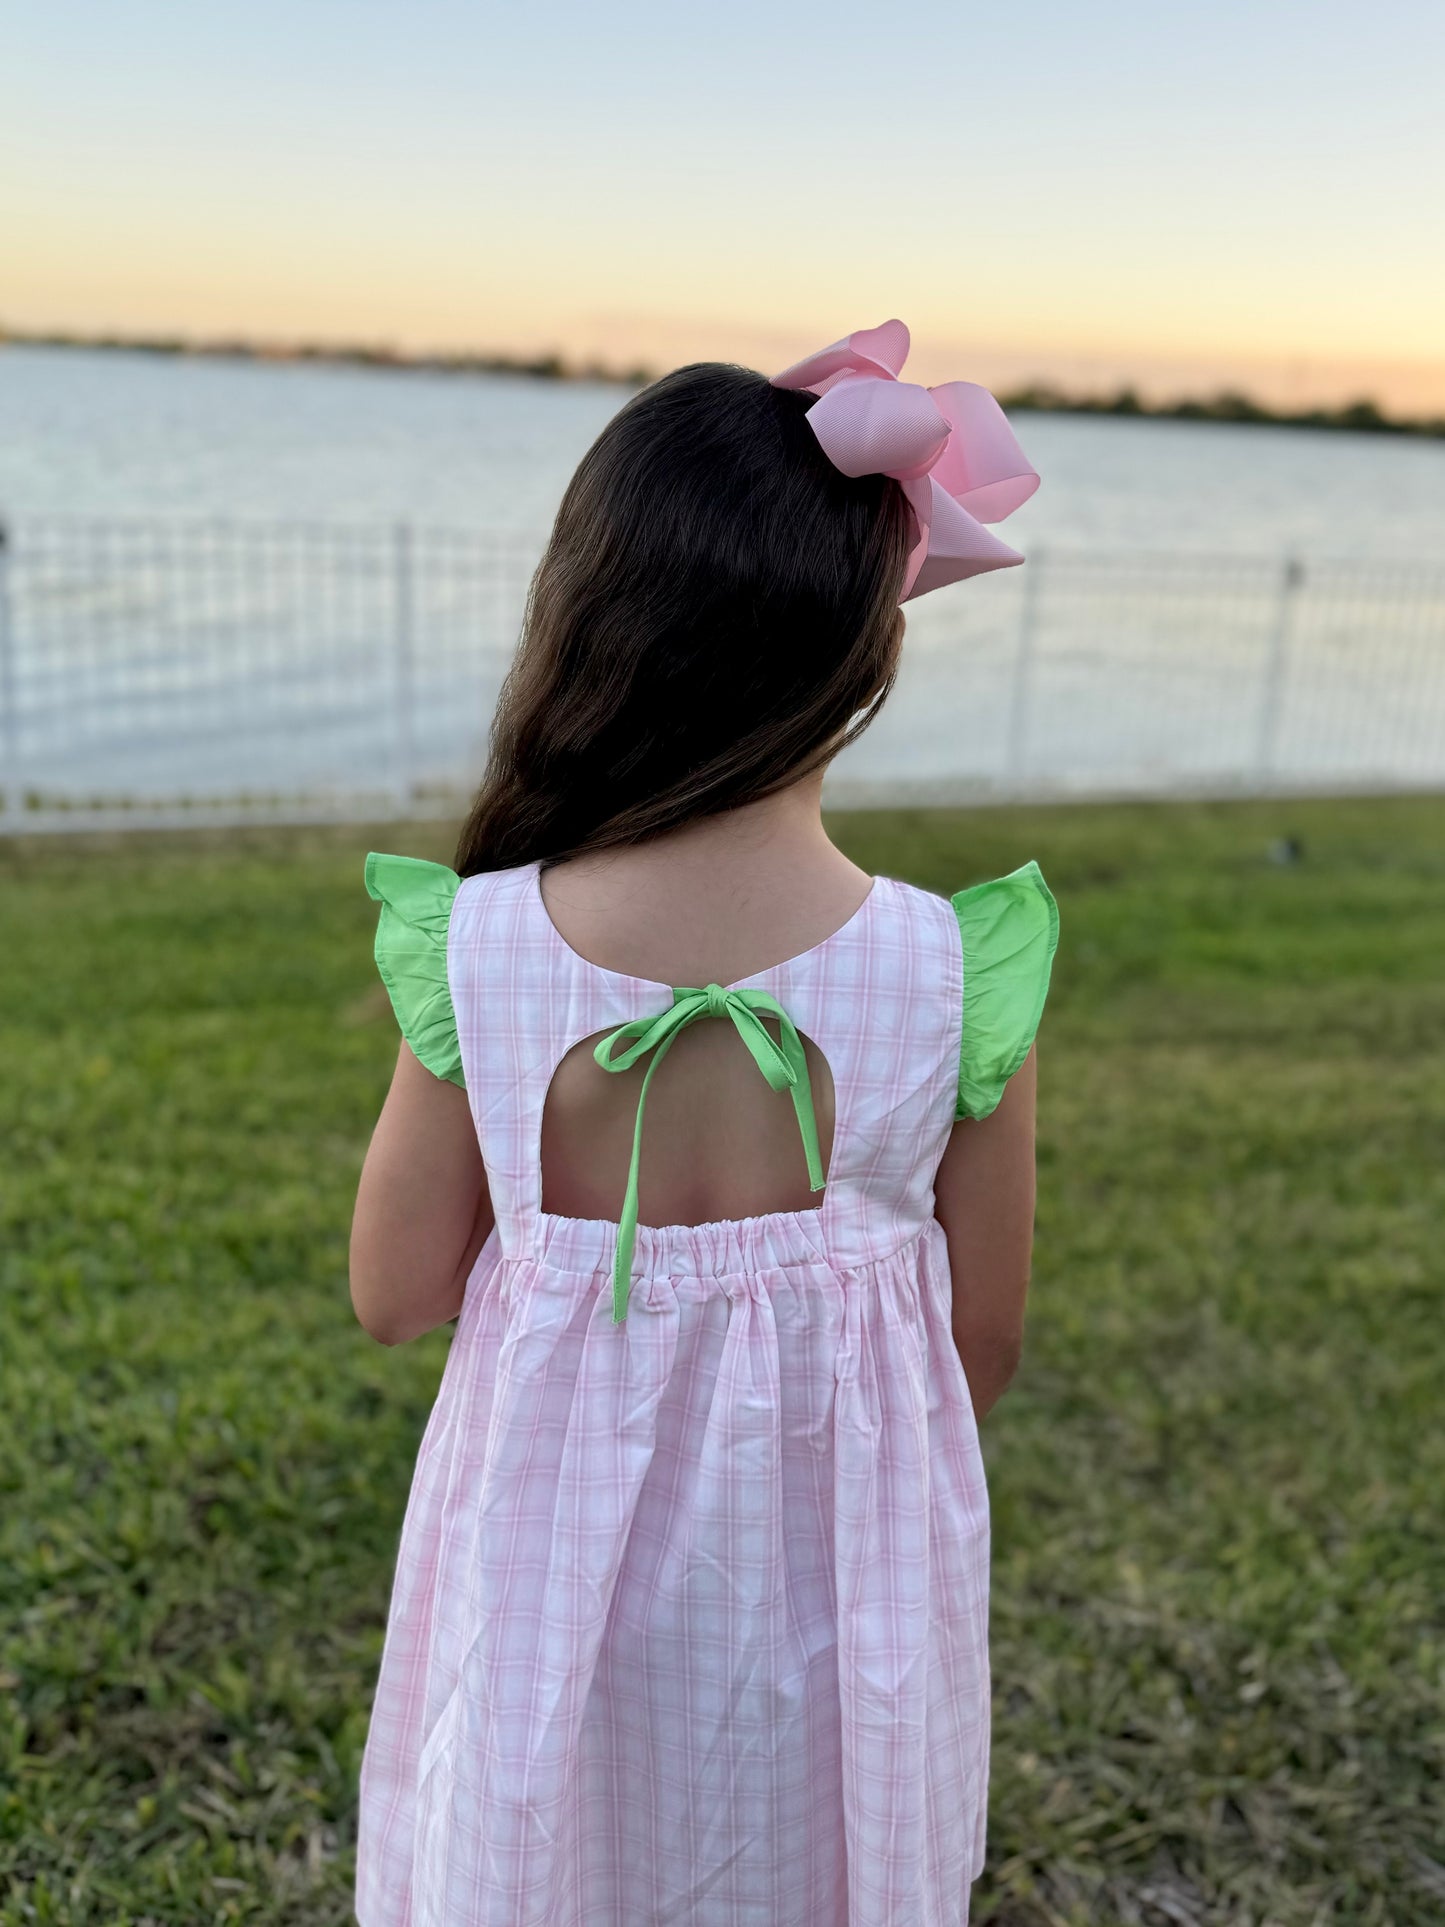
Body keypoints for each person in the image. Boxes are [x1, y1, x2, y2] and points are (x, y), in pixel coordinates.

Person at [349, 320, 1058, 1926]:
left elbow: (393, 1294)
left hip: (542, 1601)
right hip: (832, 1609)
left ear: (589, 615)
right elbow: (981, 1348)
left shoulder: (482, 947)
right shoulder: (950, 970)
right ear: (869, 636)